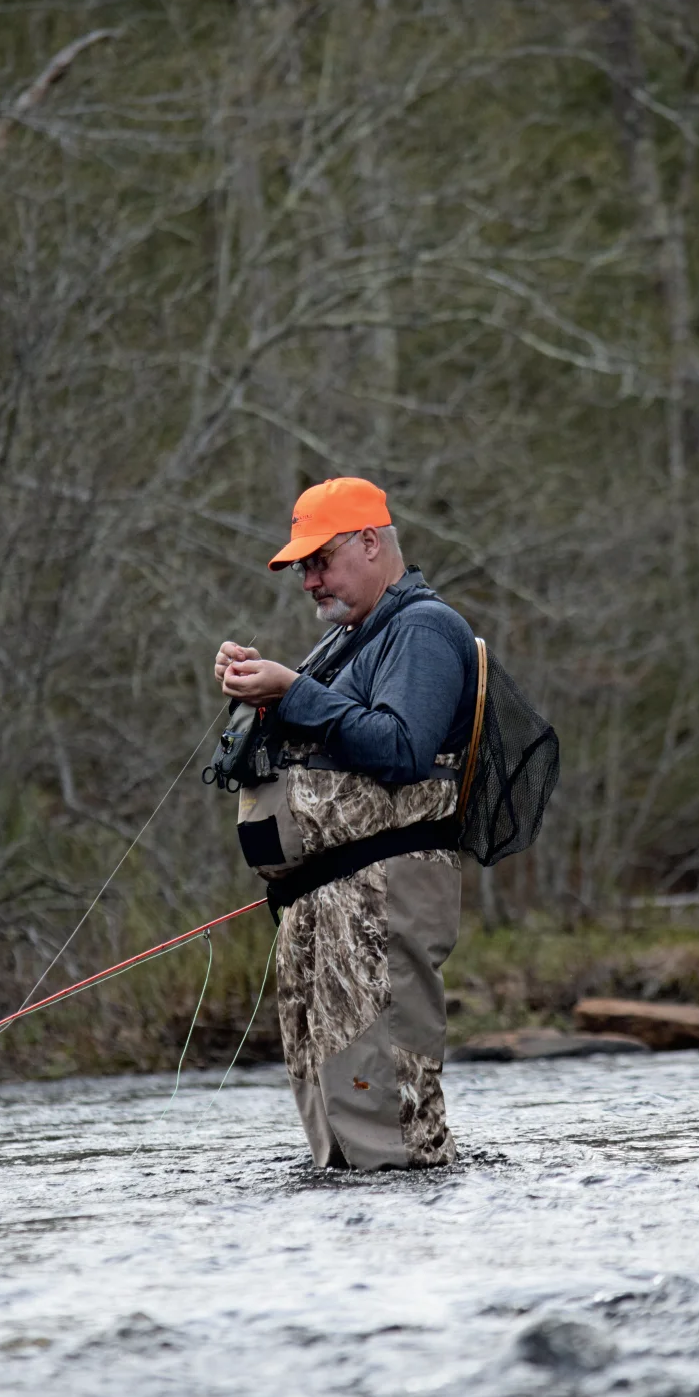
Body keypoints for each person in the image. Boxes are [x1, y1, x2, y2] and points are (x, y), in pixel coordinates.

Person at [215, 477, 477, 1170]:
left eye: (320, 559)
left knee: (392, 1135)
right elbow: (327, 741)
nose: (309, 579)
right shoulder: (349, 639)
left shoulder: (423, 628)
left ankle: (409, 1266)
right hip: (325, 905)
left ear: (370, 541)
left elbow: (400, 747)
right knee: (335, 1131)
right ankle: (345, 1269)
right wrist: (260, 692)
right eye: (302, 566)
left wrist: (292, 689)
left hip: (380, 900)